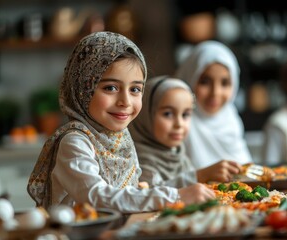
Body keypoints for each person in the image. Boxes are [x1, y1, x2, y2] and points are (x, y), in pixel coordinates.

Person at [27, 32, 215, 213]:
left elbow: (134, 192)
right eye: (111, 88)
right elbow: (98, 197)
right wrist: (175, 197)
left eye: (135, 89)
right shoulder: (75, 142)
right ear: (82, 88)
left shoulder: (121, 139)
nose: (125, 101)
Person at [129, 76, 242, 187]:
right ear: (145, 115)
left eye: (185, 114)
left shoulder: (179, 156)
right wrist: (199, 176)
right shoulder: (136, 161)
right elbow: (152, 195)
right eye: (168, 114)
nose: (179, 124)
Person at [175, 40, 253, 169]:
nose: (215, 93)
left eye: (225, 83)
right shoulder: (178, 123)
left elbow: (247, 170)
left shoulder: (231, 119)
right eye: (205, 82)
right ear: (190, 78)